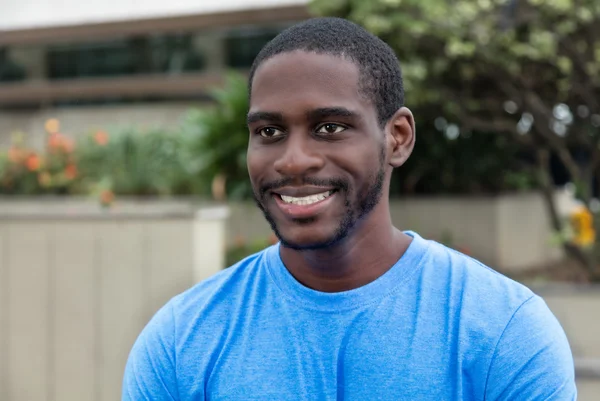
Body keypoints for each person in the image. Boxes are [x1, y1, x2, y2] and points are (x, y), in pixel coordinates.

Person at [122, 17, 576, 400]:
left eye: (330, 127)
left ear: (397, 137)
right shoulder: (182, 341)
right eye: (269, 132)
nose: (293, 159)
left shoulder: (504, 334)